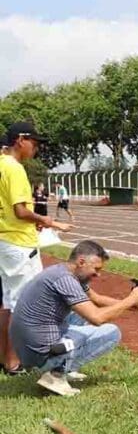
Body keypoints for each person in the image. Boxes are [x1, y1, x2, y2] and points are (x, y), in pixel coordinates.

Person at [10, 240, 138, 396]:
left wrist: (131, 306)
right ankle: (57, 372)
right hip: (38, 353)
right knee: (112, 332)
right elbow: (96, 317)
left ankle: (61, 365)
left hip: (27, 348)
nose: (98, 274)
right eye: (96, 269)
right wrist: (130, 300)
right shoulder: (66, 280)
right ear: (81, 262)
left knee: (78, 312)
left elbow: (95, 298)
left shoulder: (62, 271)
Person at [0, 122, 73, 376]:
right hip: (19, 243)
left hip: (6, 241)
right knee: (25, 302)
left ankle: (8, 358)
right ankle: (16, 361)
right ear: (20, 140)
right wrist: (50, 222)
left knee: (9, 301)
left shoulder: (0, 164)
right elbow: (21, 211)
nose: (37, 148)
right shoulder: (15, 168)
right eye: (34, 142)